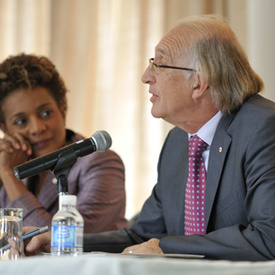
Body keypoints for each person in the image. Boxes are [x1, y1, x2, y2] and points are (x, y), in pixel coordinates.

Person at [25, 14, 275, 261]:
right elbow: (142, 237)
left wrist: (167, 247)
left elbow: (269, 236)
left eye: (159, 64)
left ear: (198, 84)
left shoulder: (264, 128)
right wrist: (59, 240)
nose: (146, 76)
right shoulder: (178, 142)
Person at [0, 53, 127, 233]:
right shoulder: (9, 162)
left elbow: (68, 240)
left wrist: (9, 176)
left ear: (62, 109)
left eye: (45, 113)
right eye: (21, 122)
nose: (37, 128)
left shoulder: (100, 162)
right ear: (5, 129)